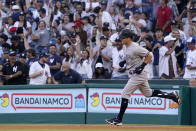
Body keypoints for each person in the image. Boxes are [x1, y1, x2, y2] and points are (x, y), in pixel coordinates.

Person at [105, 29, 181, 126]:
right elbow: (129, 56)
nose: (121, 40)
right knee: (148, 93)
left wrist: (141, 66)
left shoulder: (135, 47)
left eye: (123, 38)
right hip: (133, 74)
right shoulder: (125, 46)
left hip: (138, 75)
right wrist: (124, 61)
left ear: (128, 38)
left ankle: (118, 119)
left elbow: (150, 55)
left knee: (125, 93)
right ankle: (171, 95)